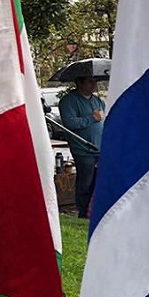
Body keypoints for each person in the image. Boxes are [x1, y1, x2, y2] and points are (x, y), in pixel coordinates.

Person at [59, 76, 105, 218]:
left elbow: (104, 119)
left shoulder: (97, 101)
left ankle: (95, 211)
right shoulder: (69, 101)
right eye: (90, 81)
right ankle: (83, 212)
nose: (94, 84)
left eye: (95, 81)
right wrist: (92, 118)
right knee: (85, 181)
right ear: (79, 82)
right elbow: (70, 123)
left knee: (99, 181)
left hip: (100, 148)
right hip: (83, 149)